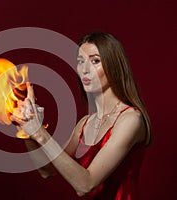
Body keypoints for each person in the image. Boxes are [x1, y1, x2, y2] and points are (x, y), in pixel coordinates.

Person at [10, 32, 152, 199]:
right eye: (80, 61)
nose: (85, 69)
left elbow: (86, 185)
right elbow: (47, 171)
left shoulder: (130, 120)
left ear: (114, 65)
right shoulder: (85, 123)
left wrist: (39, 133)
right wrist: (27, 129)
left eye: (95, 61)